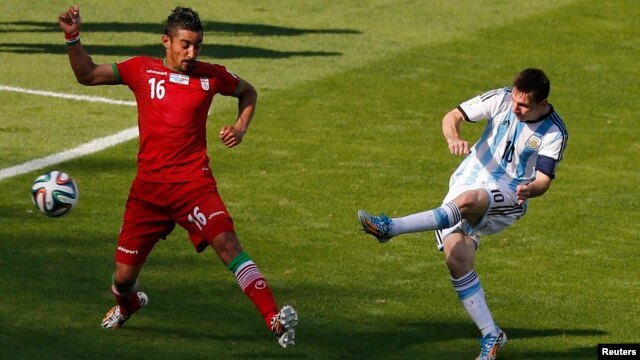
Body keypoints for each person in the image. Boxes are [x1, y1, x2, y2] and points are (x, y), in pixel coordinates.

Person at [58, 5, 297, 348]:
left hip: (194, 186)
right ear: (166, 41)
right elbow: (88, 74)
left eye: (197, 45)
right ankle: (130, 303)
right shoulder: (141, 70)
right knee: (124, 278)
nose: (192, 52)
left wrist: (241, 128)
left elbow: (249, 92)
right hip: (148, 193)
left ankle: (274, 318)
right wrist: (72, 36)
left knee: (228, 244)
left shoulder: (211, 76)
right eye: (185, 44)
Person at [358, 68, 567, 360]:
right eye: (515, 100)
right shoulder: (500, 98)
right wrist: (452, 137)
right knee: (458, 260)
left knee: (468, 202)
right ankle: (492, 335)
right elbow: (451, 116)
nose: (515, 108)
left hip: (508, 194)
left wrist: (531, 190)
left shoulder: (554, 131)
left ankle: (389, 228)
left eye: (524, 105)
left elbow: (544, 180)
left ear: (542, 104)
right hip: (467, 178)